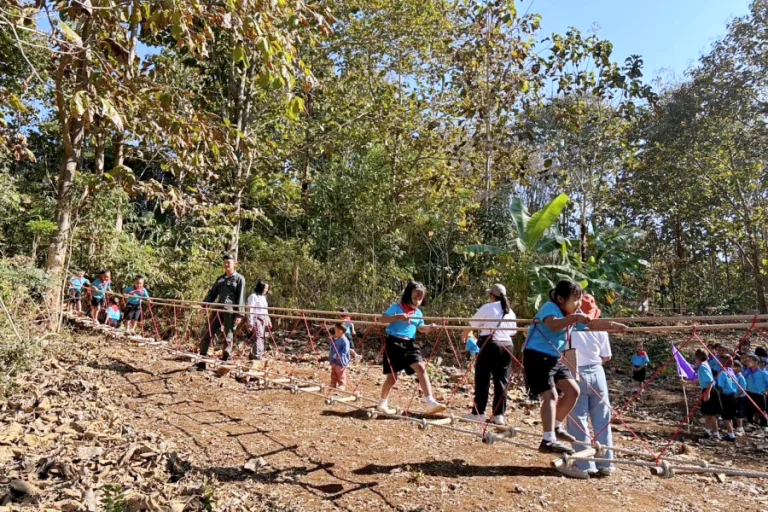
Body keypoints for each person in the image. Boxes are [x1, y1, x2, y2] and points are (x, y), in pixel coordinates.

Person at [522, 280, 589, 454]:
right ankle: (548, 440)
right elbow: (553, 325)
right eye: (575, 300)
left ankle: (556, 426)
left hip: (553, 358)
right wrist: (575, 318)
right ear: (560, 299)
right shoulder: (550, 307)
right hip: (536, 356)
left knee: (573, 390)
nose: (579, 304)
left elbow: (591, 324)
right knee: (550, 395)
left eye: (580, 300)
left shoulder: (571, 315)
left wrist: (613, 326)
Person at [565, 294, 626, 478]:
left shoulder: (568, 327)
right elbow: (606, 356)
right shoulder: (601, 328)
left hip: (575, 371)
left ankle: (584, 465)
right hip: (597, 373)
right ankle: (606, 463)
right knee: (602, 419)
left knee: (578, 420)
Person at [377, 281, 446, 415]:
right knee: (392, 377)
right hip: (394, 343)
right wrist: (397, 317)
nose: (417, 301)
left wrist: (429, 328)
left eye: (420, 299)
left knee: (421, 367)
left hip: (409, 344)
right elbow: (383, 319)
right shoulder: (397, 307)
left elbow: (421, 328)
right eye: (414, 298)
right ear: (408, 295)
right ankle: (382, 402)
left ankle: (430, 402)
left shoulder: (418, 313)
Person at [461, 283, 517, 426]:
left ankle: (478, 413)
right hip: (507, 345)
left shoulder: (487, 307)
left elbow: (473, 324)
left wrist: (465, 334)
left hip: (490, 344)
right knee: (501, 380)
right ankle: (499, 415)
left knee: (482, 378)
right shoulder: (510, 311)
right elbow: (513, 332)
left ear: (492, 295)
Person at [197, 254, 246, 370]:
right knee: (208, 332)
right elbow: (212, 294)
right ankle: (202, 360)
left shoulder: (239, 279)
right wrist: (204, 305)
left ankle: (225, 360)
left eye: (228, 262)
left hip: (230, 311)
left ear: (235, 264)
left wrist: (240, 314)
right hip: (218, 309)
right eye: (224, 262)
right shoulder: (220, 279)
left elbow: (241, 297)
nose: (226, 265)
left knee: (228, 335)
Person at [694, 348, 720, 440]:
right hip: (707, 389)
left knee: (711, 414)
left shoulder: (702, 367)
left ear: (697, 357)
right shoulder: (704, 365)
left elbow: (710, 381)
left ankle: (716, 433)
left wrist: (707, 393)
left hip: (709, 390)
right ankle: (707, 432)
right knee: (708, 413)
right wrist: (687, 382)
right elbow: (701, 379)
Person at [246, 280, 271, 361]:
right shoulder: (253, 297)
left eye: (267, 289)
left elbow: (265, 310)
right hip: (256, 318)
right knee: (258, 336)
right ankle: (257, 355)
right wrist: (250, 322)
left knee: (262, 336)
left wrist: (268, 319)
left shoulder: (263, 297)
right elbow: (250, 310)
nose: (266, 290)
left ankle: (258, 354)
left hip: (263, 319)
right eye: (265, 288)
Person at [743, 352, 768, 431]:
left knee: (761, 409)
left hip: (759, 394)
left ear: (756, 362)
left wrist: (766, 391)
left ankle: (764, 424)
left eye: (749, 361)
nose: (747, 362)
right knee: (749, 409)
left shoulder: (763, 373)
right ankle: (750, 423)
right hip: (749, 393)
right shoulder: (747, 372)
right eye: (746, 361)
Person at [716, 355, 738, 442]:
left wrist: (717, 395)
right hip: (733, 396)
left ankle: (731, 435)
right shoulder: (731, 371)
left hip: (725, 397)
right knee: (729, 417)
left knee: (726, 418)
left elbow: (720, 387)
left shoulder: (723, 373)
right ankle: (730, 432)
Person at [329, 323, 351, 390]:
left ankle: (342, 385)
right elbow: (333, 348)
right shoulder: (336, 339)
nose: (335, 332)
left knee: (340, 373)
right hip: (334, 360)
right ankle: (333, 383)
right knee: (333, 373)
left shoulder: (345, 341)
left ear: (341, 331)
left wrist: (338, 355)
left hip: (341, 361)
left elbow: (345, 351)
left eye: (336, 330)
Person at [733, 360, 747, 436]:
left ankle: (740, 428)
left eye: (734, 367)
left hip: (740, 397)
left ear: (738, 368)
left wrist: (736, 396)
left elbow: (742, 389)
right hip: (735, 396)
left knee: (739, 412)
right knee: (735, 411)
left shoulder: (741, 377)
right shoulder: (733, 375)